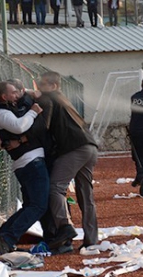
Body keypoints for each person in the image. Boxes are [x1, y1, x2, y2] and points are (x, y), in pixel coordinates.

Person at [37, 71, 99, 251]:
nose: (40, 88)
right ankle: (91, 239)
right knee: (86, 195)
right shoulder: (63, 99)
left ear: (53, 86)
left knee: (56, 188)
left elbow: (44, 127)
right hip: (90, 147)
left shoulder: (49, 99)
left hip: (75, 148)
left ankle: (65, 227)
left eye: (43, 85)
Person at [0, 81, 49, 254]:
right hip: (29, 162)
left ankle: (4, 235)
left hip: (32, 160)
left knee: (32, 204)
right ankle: (6, 237)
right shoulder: (0, 113)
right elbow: (19, 127)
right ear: (4, 96)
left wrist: (29, 92)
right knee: (38, 205)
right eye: (14, 93)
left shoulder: (13, 105)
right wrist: (33, 112)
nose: (18, 95)